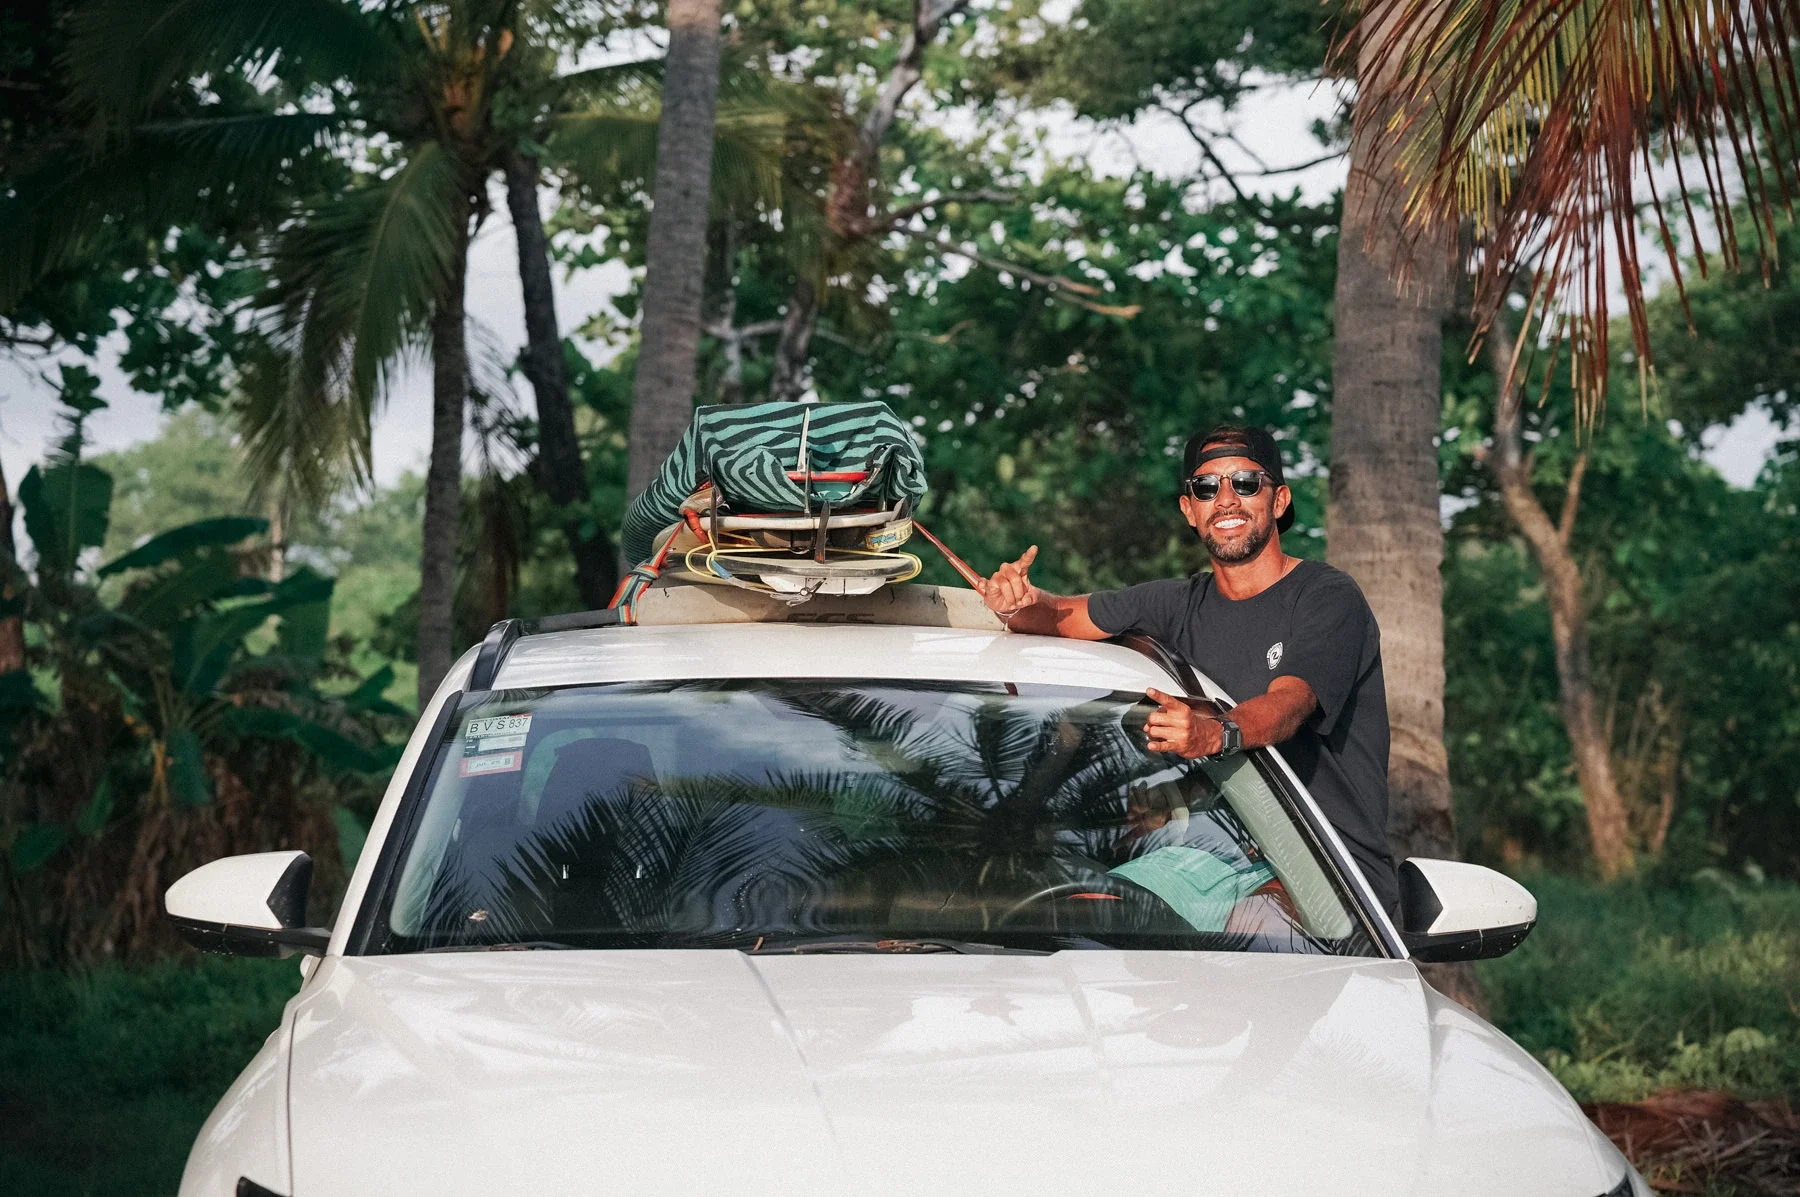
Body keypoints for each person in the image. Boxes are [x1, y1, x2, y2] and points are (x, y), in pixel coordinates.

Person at [975, 424, 1400, 915]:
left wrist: (1214, 734)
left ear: (1279, 500)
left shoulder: (1327, 597)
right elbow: (1060, 616)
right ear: (1189, 509)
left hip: (1333, 877)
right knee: (1092, 912)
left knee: (1256, 928)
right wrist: (1013, 605)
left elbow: (1290, 704)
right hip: (1217, 861)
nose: (1225, 500)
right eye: (1205, 487)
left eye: (1245, 482)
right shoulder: (1176, 603)